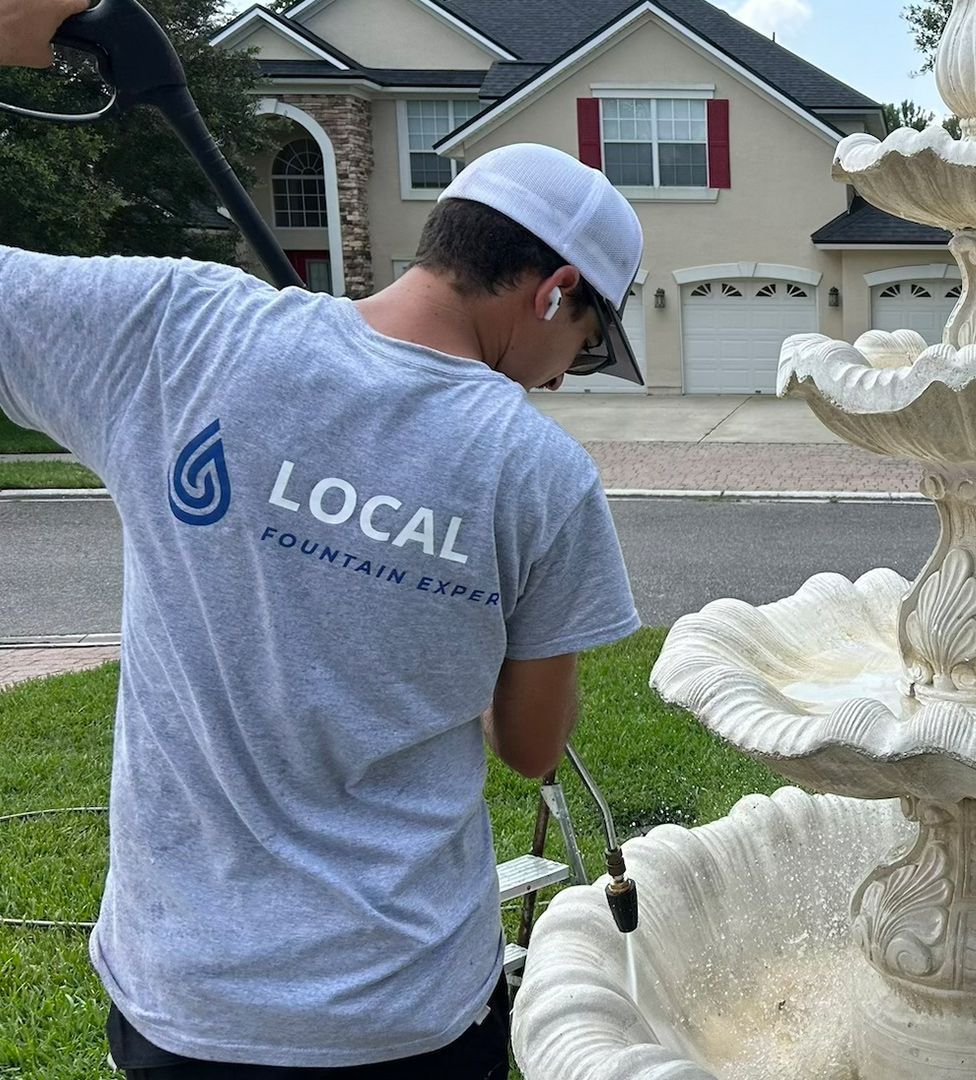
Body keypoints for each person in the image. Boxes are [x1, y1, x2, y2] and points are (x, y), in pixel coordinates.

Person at [1, 4, 647, 1073]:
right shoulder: (541, 475)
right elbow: (529, 749)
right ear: (555, 293)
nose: (558, 379)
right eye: (579, 351)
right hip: (409, 1012)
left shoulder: (178, 328)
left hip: (187, 1004)